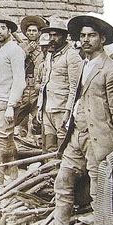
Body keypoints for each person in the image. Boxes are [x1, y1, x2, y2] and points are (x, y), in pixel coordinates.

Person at [53, 14, 113, 225]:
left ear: (103, 38)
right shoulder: (82, 65)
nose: (86, 40)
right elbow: (78, 97)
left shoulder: (112, 71)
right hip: (76, 136)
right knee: (63, 183)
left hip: (99, 141)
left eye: (92, 35)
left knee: (101, 194)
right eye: (82, 36)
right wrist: (69, 118)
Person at [0, 15, 26, 185]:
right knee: (7, 138)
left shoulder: (14, 50)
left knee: (0, 140)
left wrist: (11, 106)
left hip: (6, 101)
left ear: (9, 30)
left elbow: (19, 80)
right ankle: (13, 175)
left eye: (2, 28)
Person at [37, 19, 82, 152]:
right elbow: (45, 82)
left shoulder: (72, 56)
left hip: (61, 109)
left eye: (55, 35)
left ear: (64, 36)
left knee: (62, 147)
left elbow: (75, 88)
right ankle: (49, 172)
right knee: (49, 145)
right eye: (50, 35)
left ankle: (60, 171)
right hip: (47, 107)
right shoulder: (50, 55)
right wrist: (40, 106)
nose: (52, 39)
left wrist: (68, 112)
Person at [16, 16, 47, 137]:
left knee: (38, 118)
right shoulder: (21, 47)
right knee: (18, 116)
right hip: (23, 86)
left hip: (37, 87)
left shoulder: (44, 47)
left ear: (39, 33)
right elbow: (16, 61)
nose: (31, 33)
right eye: (29, 31)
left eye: (34, 31)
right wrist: (27, 50)